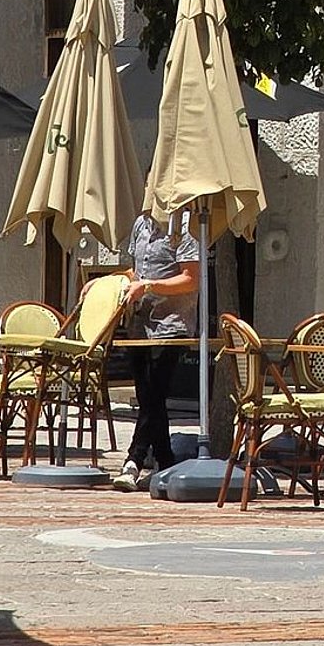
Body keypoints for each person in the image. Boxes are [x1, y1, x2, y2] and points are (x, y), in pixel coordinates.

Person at [112, 207, 201, 488]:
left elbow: (191, 278)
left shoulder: (185, 226)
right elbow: (135, 271)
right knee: (148, 396)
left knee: (154, 392)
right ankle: (165, 460)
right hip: (139, 323)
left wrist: (150, 287)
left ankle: (134, 459)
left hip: (171, 324)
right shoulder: (141, 223)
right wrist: (111, 282)